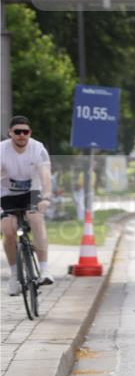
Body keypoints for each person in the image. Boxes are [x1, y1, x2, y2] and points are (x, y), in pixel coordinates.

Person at [1, 116, 54, 293]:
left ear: (30, 133)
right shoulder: (2, 150)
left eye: (25, 132)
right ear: (10, 133)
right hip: (7, 193)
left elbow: (45, 175)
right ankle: (15, 276)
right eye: (17, 132)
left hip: (32, 191)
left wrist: (46, 197)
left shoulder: (38, 148)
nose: (22, 135)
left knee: (36, 219)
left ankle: (44, 270)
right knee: (8, 230)